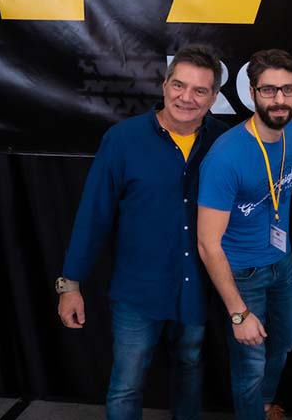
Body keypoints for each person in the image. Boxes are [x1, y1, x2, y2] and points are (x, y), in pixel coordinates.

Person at [56, 44, 227, 420]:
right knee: (127, 384)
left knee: (190, 372)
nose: (187, 97)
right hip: (137, 291)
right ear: (164, 86)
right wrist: (70, 285)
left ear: (214, 97)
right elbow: (93, 215)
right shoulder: (122, 140)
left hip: (197, 287)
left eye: (200, 90)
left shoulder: (224, 141)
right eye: (179, 85)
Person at [197, 49, 292, 420]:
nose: (279, 100)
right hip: (243, 274)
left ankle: (262, 405)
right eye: (269, 90)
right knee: (250, 366)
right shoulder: (225, 157)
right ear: (252, 92)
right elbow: (207, 243)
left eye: (288, 90)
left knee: (284, 344)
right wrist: (238, 313)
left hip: (282, 262)